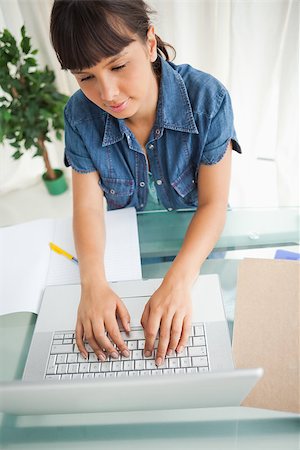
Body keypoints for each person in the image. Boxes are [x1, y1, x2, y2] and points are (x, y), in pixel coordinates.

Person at [50, 0, 241, 368]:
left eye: (119, 66)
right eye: (85, 76)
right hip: (130, 251)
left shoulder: (208, 99)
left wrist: (180, 281)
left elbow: (214, 204)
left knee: (212, 328)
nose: (107, 93)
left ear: (150, 43)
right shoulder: (78, 115)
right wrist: (92, 285)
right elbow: (88, 206)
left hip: (200, 246)